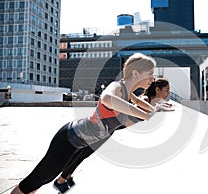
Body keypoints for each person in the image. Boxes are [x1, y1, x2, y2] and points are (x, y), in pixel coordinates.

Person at [11, 53, 174, 194]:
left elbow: (146, 107)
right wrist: (145, 114)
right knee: (32, 182)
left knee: (39, 182)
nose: (153, 79)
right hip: (68, 139)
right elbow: (106, 98)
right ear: (136, 73)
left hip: (77, 144)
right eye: (150, 73)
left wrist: (156, 107)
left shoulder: (128, 93)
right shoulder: (116, 87)